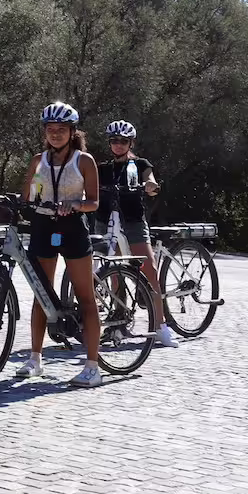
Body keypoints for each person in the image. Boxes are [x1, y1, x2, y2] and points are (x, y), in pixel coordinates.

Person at [20, 102, 106, 387]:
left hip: (72, 228)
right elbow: (28, 197)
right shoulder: (38, 160)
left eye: (61, 130)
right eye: (50, 129)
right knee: (41, 294)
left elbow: (94, 202)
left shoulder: (84, 161)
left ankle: (93, 366)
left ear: (72, 131)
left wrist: (76, 204)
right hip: (44, 227)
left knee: (86, 298)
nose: (55, 134)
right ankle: (35, 359)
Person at [97, 120, 178, 348]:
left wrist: (150, 186)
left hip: (132, 221)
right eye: (114, 141)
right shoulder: (102, 168)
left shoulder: (140, 164)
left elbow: (150, 181)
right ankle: (118, 323)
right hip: (107, 222)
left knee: (148, 270)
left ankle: (160, 326)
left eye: (123, 141)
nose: (118, 145)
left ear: (130, 142)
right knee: (114, 274)